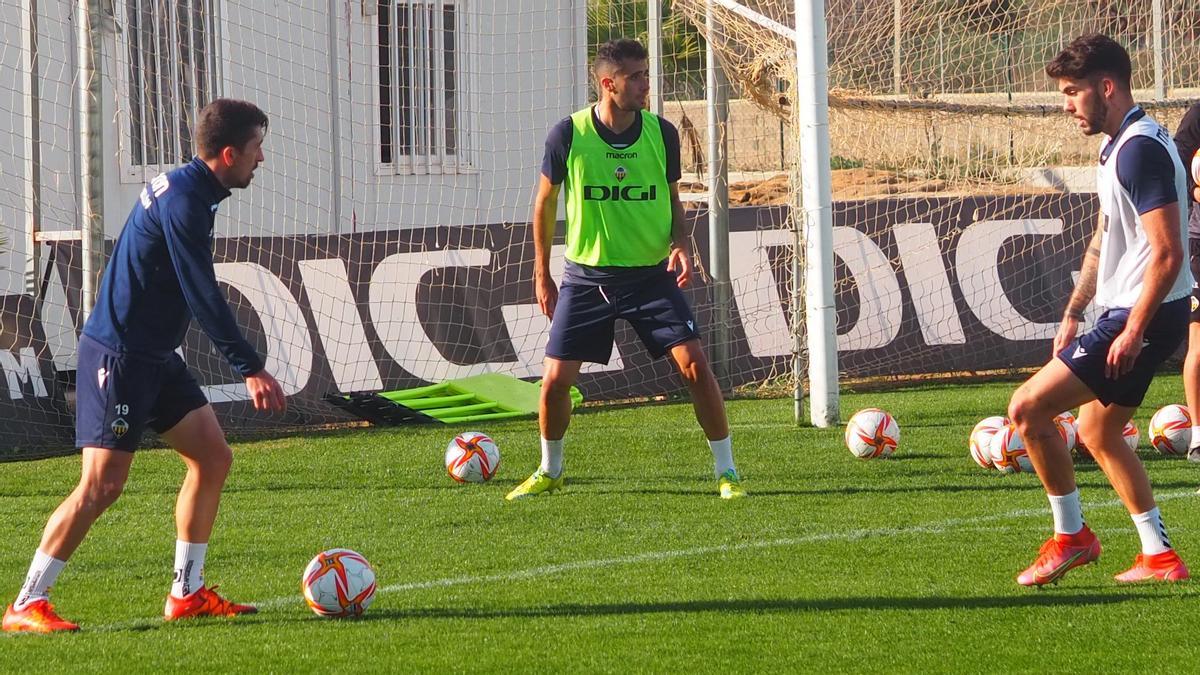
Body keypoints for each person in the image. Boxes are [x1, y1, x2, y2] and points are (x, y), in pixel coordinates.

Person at [2, 99, 287, 633]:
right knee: (100, 487)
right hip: (121, 357)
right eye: (255, 149)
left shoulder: (194, 188)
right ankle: (25, 603)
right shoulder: (185, 201)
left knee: (212, 457)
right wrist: (249, 365)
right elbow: (201, 291)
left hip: (153, 356)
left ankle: (187, 592)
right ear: (229, 154)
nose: (261, 159)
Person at [506, 38, 745, 501]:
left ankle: (728, 471)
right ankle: (550, 469)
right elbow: (544, 203)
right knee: (555, 382)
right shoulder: (568, 134)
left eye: (645, 74)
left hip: (650, 276)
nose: (644, 85)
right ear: (607, 83)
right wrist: (541, 271)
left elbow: (673, 199)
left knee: (696, 366)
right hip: (587, 278)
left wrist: (680, 243)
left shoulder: (662, 133)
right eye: (635, 76)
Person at [1005, 34, 1191, 586]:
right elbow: (1109, 233)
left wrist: (1132, 329)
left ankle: (1072, 538)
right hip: (1137, 311)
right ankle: (1160, 556)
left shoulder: (1138, 151)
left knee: (1027, 411)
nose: (1066, 105)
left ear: (1105, 87)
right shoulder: (1122, 145)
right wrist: (1073, 310)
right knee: (1099, 433)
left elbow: (1168, 251)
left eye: (1072, 92)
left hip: (1143, 313)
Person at [1172, 103, 1200, 461]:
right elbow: (1177, 169)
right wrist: (1195, 189)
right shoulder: (1197, 116)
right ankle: (1198, 435)